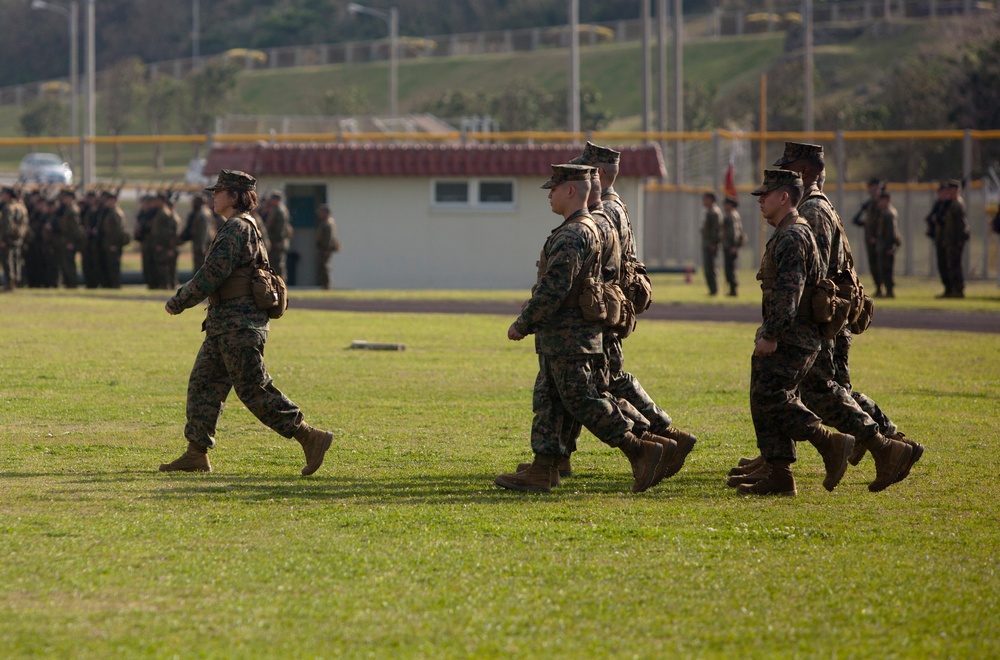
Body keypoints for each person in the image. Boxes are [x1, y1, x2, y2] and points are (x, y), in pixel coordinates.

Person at [732, 142, 917, 493]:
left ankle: (885, 443)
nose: (760, 199)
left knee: (820, 392)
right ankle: (778, 461)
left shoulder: (810, 215)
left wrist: (776, 329)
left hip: (811, 322)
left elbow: (800, 279)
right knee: (810, 391)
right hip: (809, 322)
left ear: (798, 177)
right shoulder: (809, 211)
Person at [495, 164, 668, 494]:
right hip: (564, 334)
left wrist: (524, 322)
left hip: (569, 335)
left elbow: (555, 288)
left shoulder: (574, 234)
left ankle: (641, 448)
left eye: (554, 189)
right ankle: (544, 468)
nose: (549, 194)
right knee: (550, 400)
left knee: (583, 400)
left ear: (571, 191)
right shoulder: (581, 228)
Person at [160, 169, 333, 475]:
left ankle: (309, 436)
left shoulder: (236, 228)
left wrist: (180, 300)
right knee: (203, 384)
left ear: (236, 196)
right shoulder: (241, 226)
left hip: (239, 324)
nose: (214, 195)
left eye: (220, 191)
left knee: (254, 388)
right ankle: (196, 453)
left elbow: (212, 274)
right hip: (225, 324)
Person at [569, 142, 697, 477]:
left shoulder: (603, 211)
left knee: (606, 382)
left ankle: (662, 437)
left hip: (603, 308)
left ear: (597, 175)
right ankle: (664, 438)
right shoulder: (617, 204)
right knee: (605, 380)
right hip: (611, 304)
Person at [739, 169, 838, 497]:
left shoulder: (794, 235)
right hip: (788, 331)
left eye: (766, 194)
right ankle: (777, 470)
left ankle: (830, 442)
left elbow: (789, 293)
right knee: (764, 394)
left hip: (794, 334)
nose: (760, 200)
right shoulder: (787, 231)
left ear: (784, 197)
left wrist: (773, 334)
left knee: (771, 397)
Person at [852, 178, 885, 296]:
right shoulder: (870, 203)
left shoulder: (882, 202)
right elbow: (860, 220)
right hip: (870, 237)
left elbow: (881, 222)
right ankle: (879, 287)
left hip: (879, 238)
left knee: (881, 264)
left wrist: (875, 236)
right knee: (873, 264)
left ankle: (885, 288)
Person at [938, 179, 970, 298]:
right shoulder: (951, 204)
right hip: (950, 240)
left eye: (952, 189)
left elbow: (961, 225)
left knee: (955, 265)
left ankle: (958, 290)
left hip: (955, 241)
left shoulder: (957, 205)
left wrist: (960, 240)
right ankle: (953, 289)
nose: (950, 192)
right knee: (951, 265)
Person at [97, 190, 129, 288]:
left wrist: (114, 244)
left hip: (113, 244)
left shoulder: (115, 213)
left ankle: (115, 285)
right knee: (108, 266)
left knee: (113, 266)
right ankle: (109, 285)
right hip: (108, 243)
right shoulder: (109, 212)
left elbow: (117, 232)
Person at [0, 186, 29, 292]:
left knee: (8, 260)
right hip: (18, 237)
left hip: (8, 238)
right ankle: (17, 281)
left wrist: (2, 239)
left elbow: (6, 225)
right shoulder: (21, 207)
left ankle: (10, 283)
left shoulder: (8, 208)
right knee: (17, 259)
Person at [925, 183, 952, 296]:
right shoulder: (939, 205)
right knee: (942, 265)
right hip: (939, 239)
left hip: (948, 240)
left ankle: (953, 289)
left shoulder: (951, 204)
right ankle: (948, 289)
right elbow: (930, 217)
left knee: (949, 265)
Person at [874, 191, 902, 298]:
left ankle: (890, 291)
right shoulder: (884, 212)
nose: (879, 203)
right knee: (883, 269)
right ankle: (887, 290)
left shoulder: (889, 213)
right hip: (883, 245)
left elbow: (891, 232)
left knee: (887, 269)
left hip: (886, 246)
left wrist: (890, 246)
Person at [263, 192, 293, 281]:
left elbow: (280, 229)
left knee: (278, 264)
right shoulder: (275, 209)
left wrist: (278, 241)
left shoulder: (280, 211)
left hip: (277, 242)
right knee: (274, 263)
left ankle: (281, 283)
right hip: (274, 241)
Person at [720, 196, 745, 296]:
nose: (725, 207)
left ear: (730, 205)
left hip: (730, 247)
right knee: (730, 268)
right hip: (729, 246)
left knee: (730, 269)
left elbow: (734, 232)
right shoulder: (733, 215)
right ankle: (732, 290)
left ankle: (733, 290)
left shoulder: (731, 216)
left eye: (726, 204)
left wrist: (734, 246)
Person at [700, 191, 722, 295]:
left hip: (711, 244)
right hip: (707, 243)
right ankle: (712, 289)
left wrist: (714, 243)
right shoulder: (709, 212)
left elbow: (716, 229)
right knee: (708, 267)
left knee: (711, 267)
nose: (704, 201)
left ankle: (714, 289)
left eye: (706, 199)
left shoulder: (714, 212)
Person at [315, 204, 338, 289]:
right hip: (323, 248)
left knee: (325, 267)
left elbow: (327, 238)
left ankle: (327, 286)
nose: (320, 214)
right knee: (322, 267)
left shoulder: (328, 223)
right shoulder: (326, 222)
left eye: (321, 212)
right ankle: (325, 285)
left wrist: (325, 250)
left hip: (325, 249)